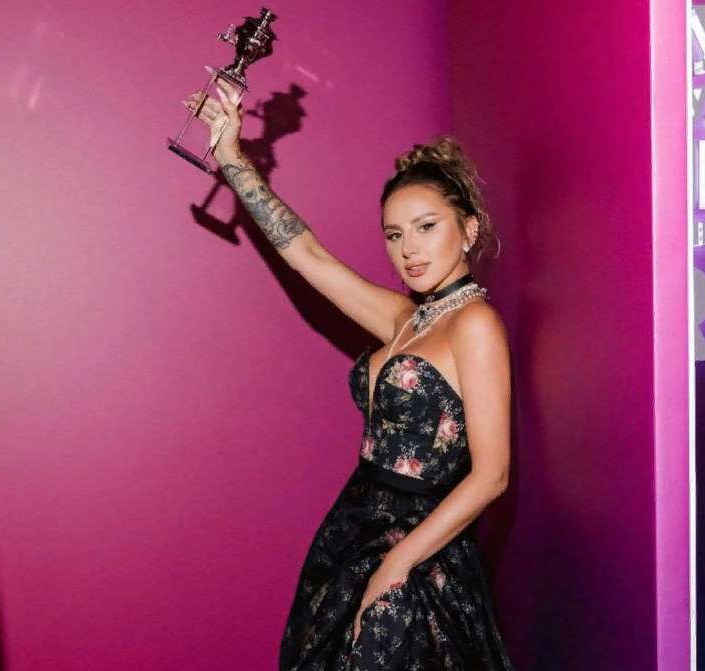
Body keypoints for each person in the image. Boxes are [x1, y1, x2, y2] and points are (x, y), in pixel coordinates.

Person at [186, 80, 515, 670]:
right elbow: (306, 255)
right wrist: (233, 157)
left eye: (426, 227)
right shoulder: (404, 317)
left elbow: (491, 477)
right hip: (352, 530)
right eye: (394, 234)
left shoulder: (475, 325)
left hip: (417, 553)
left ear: (468, 229)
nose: (408, 249)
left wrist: (397, 566)